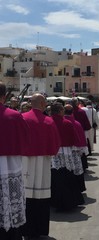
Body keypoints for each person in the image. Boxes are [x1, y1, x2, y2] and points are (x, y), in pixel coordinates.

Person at [21, 93, 60, 239]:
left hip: (24, 162)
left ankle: (25, 229)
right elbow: (56, 145)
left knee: (25, 196)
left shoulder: (22, 118)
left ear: (31, 103)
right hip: (43, 163)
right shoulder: (48, 121)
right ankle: (40, 230)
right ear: (43, 104)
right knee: (41, 196)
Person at [0, 82, 29, 240]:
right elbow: (26, 141)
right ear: (4, 97)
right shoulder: (15, 116)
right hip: (10, 167)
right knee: (9, 204)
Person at [51, 102, 84, 210]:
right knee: (68, 177)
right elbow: (75, 140)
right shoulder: (67, 123)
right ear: (61, 111)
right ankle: (70, 202)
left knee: (55, 179)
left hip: (52, 154)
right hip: (67, 154)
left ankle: (55, 202)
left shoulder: (48, 121)